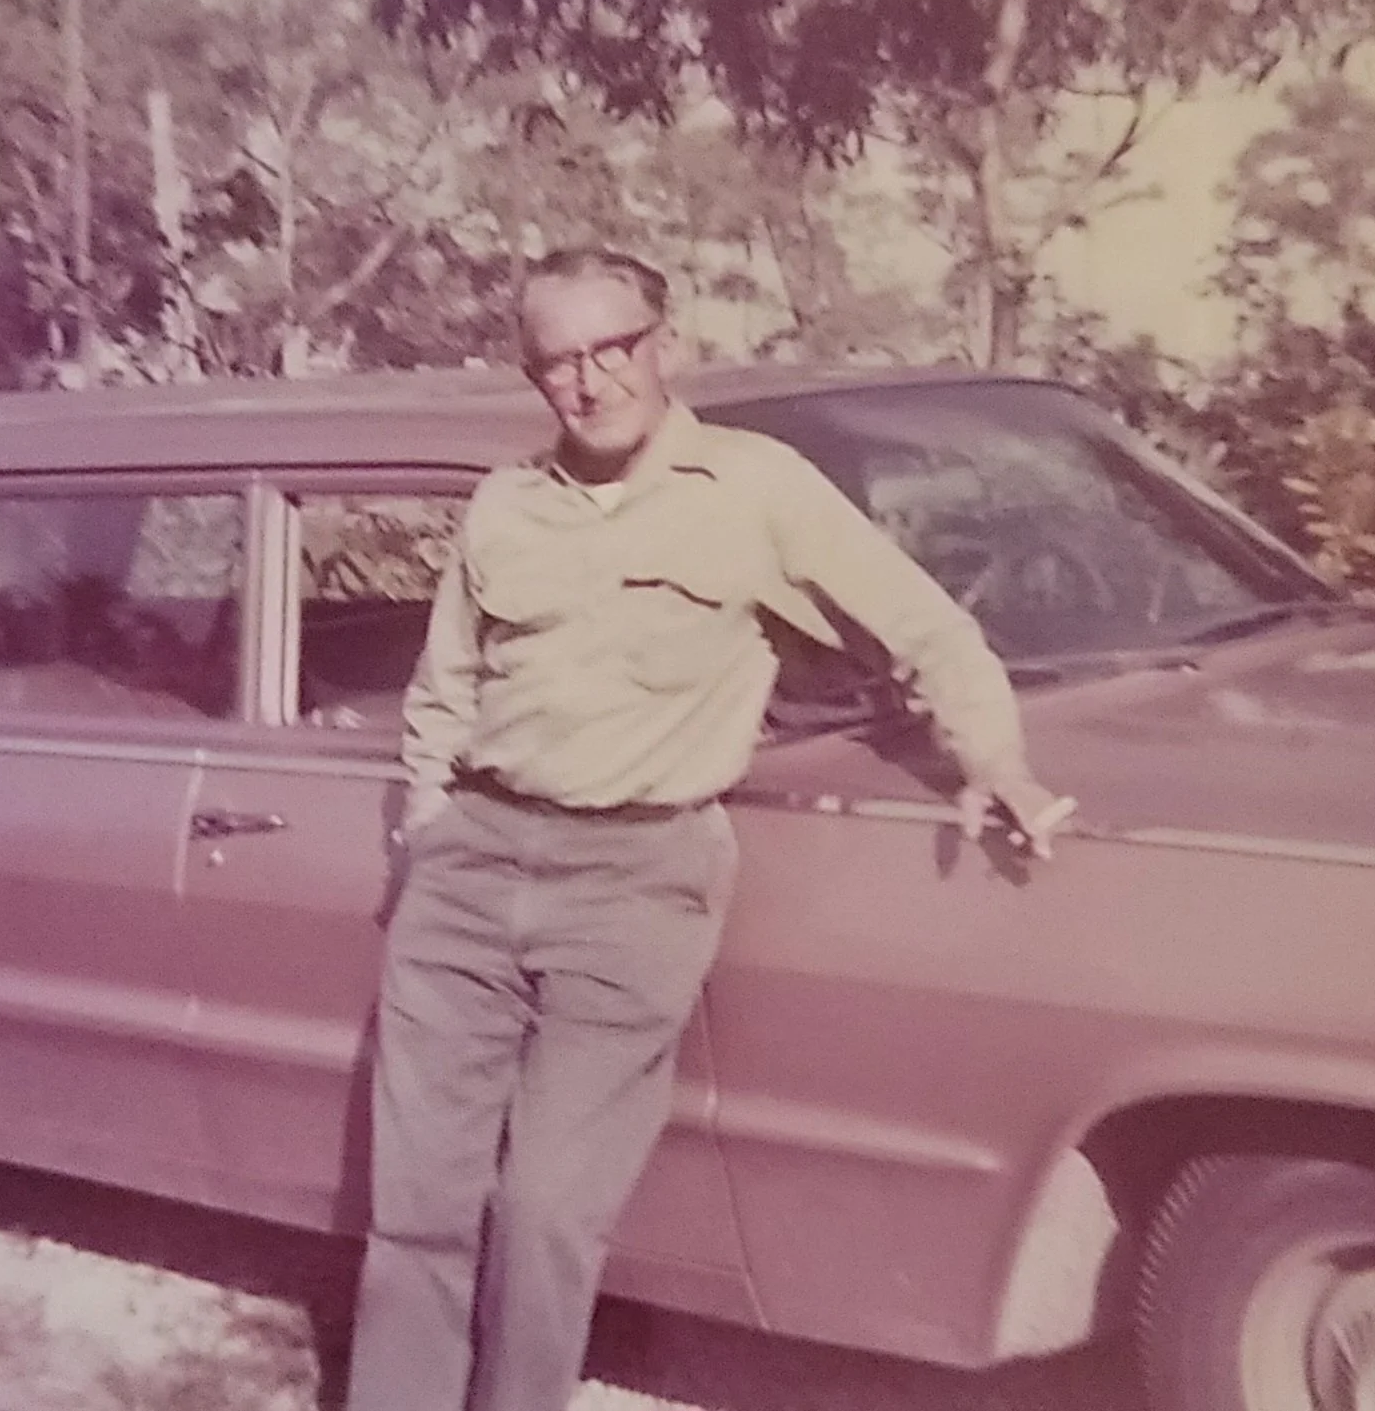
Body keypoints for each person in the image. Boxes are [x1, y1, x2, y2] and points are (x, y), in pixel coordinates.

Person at [344, 247, 1067, 1411]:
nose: (586, 382)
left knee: (544, 1211)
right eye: (556, 361)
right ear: (533, 374)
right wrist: (428, 829)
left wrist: (994, 759)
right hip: (470, 865)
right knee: (417, 1206)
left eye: (610, 348)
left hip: (634, 878)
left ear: (662, 343)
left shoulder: (756, 487)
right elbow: (444, 691)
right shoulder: (504, 501)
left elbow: (928, 632)